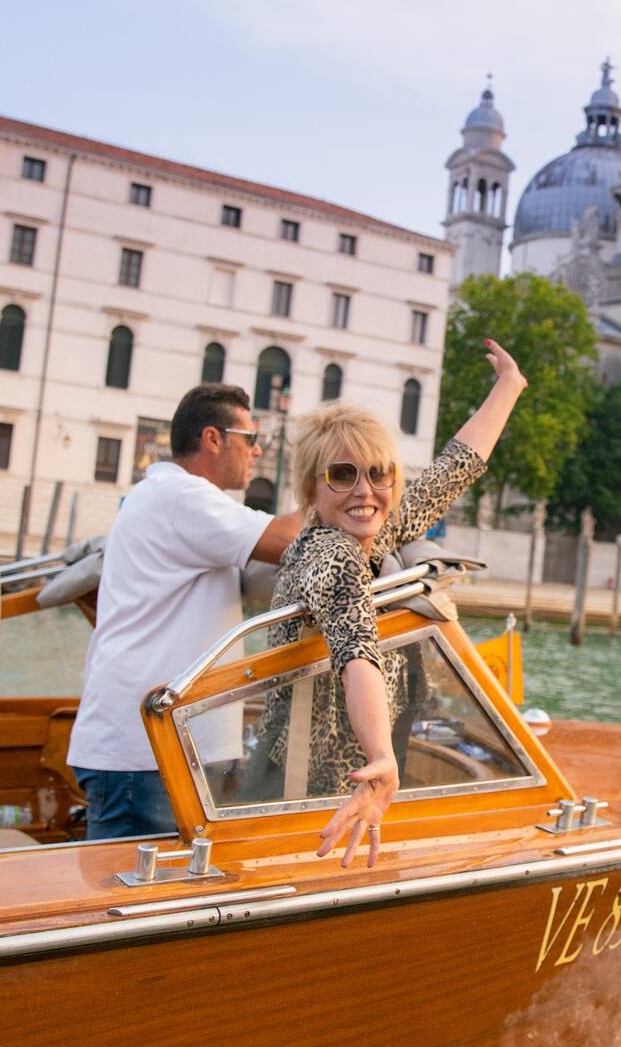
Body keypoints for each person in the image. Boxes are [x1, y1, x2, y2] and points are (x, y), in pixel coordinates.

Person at [245, 339, 525, 868]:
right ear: (312, 489)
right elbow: (357, 652)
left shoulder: (372, 533)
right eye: (342, 474)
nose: (365, 490)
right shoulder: (332, 553)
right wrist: (380, 756)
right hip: (307, 796)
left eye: (379, 473)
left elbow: (449, 474)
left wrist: (508, 387)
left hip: (341, 789)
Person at [68, 383, 303, 839]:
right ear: (213, 438)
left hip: (158, 746)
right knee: (138, 884)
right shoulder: (182, 497)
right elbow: (289, 540)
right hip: (147, 753)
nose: (257, 452)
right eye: (250, 439)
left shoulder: (169, 496)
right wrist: (336, 490)